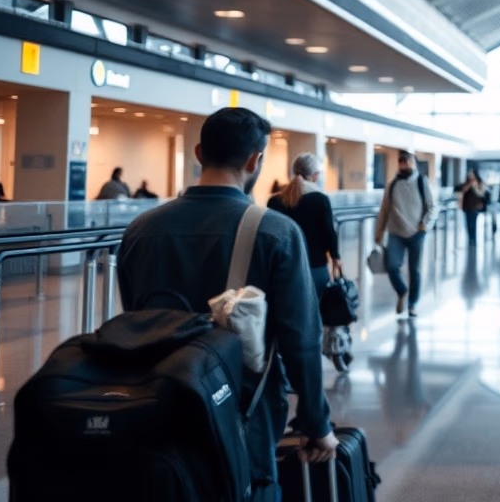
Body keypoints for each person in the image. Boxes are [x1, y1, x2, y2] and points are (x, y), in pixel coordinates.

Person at [117, 108, 336, 501]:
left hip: (156, 404)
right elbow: (301, 339)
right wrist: (316, 423)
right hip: (243, 412)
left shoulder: (140, 230)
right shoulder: (276, 232)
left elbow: (134, 318)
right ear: (255, 161)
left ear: (199, 153)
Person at [267, 152, 340, 299]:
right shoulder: (320, 199)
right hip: (315, 267)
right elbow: (328, 233)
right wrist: (335, 257)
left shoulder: (274, 201)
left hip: (284, 268)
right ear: (315, 175)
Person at [375, 150, 433, 317]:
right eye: (402, 161)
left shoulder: (422, 182)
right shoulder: (392, 185)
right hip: (396, 233)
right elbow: (384, 210)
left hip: (417, 233)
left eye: (408, 161)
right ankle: (402, 290)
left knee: (415, 270)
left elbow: (432, 206)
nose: (405, 164)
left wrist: (424, 224)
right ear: (398, 164)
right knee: (392, 266)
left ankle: (412, 304)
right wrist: (379, 232)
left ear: (413, 163)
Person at [457, 169, 487, 246]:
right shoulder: (466, 184)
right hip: (467, 207)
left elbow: (481, 194)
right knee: (468, 223)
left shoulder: (479, 183)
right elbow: (461, 192)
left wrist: (475, 187)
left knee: (473, 223)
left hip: (475, 207)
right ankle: (471, 238)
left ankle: (473, 239)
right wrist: (469, 185)